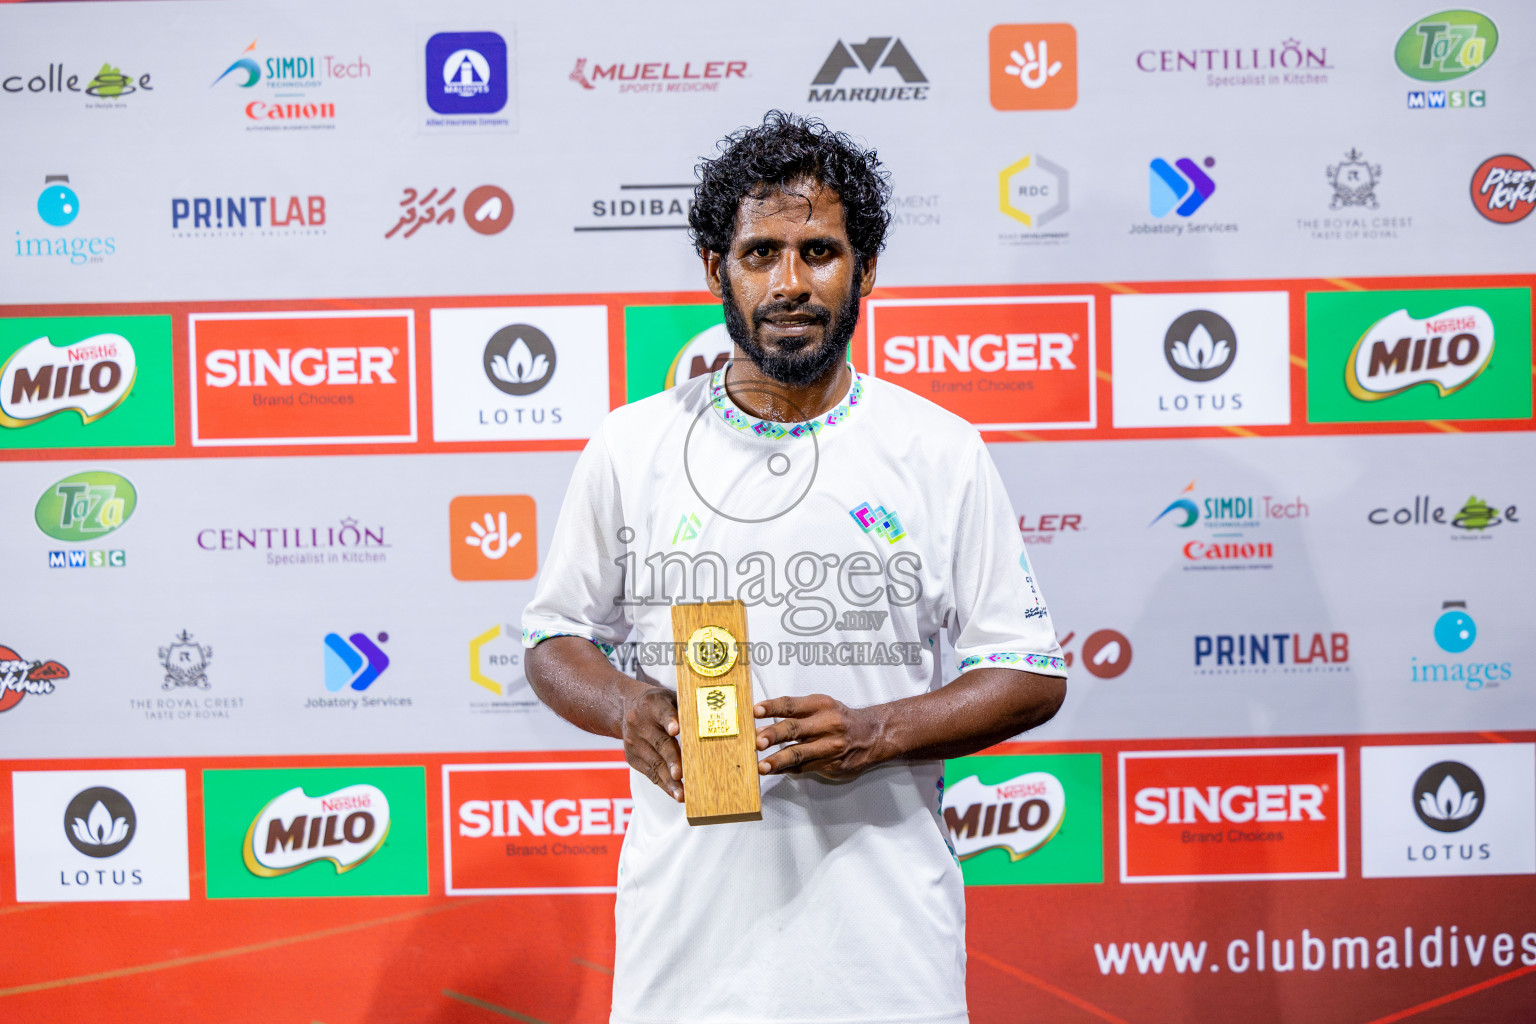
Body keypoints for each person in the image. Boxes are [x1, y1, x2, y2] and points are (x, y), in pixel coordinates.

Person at [522, 110, 1068, 1024]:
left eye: (819, 251)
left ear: (865, 269)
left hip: (887, 954)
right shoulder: (633, 445)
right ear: (714, 270)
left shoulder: (940, 450)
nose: (789, 284)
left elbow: (1032, 674)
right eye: (760, 253)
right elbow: (550, 639)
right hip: (687, 953)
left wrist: (878, 731)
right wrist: (630, 708)